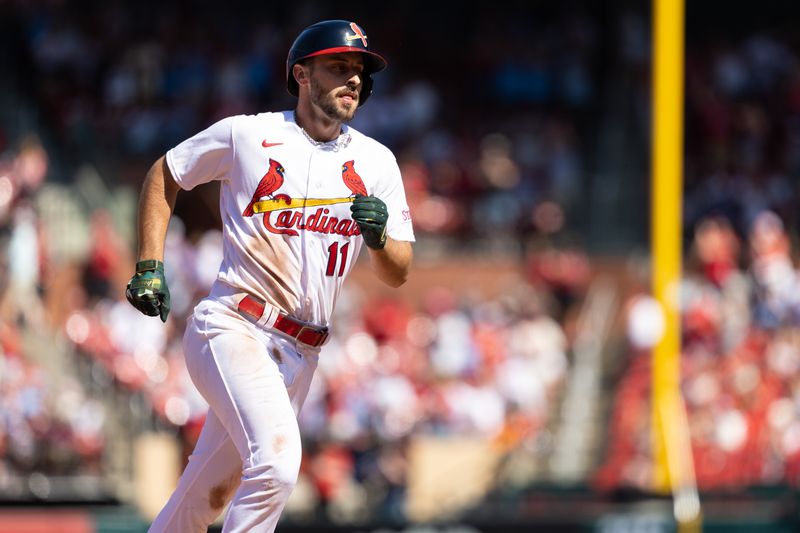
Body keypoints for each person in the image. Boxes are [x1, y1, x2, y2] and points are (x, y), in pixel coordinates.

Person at [125, 20, 414, 532]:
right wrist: (150, 263)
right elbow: (165, 173)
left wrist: (379, 238)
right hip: (235, 324)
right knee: (277, 465)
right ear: (301, 74)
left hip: (302, 353)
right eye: (339, 66)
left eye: (360, 71)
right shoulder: (248, 134)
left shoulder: (378, 161)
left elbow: (398, 271)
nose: (354, 79)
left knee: (204, 498)